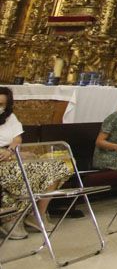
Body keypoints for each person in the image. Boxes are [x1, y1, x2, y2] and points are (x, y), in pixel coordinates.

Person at [0, 87, 72, 238]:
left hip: (12, 154)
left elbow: (17, 138)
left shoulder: (10, 117)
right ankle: (11, 218)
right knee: (25, 172)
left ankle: (37, 215)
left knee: (56, 167)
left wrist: (12, 150)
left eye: (2, 104)